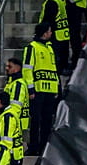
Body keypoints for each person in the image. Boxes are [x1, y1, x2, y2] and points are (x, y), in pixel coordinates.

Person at [22, 24, 58, 156]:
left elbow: (53, 69)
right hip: (37, 91)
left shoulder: (49, 47)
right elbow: (27, 69)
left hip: (49, 90)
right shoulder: (32, 47)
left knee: (47, 120)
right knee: (36, 120)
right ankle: (33, 147)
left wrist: (56, 88)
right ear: (44, 33)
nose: (51, 33)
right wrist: (31, 89)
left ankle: (43, 147)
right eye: (49, 31)